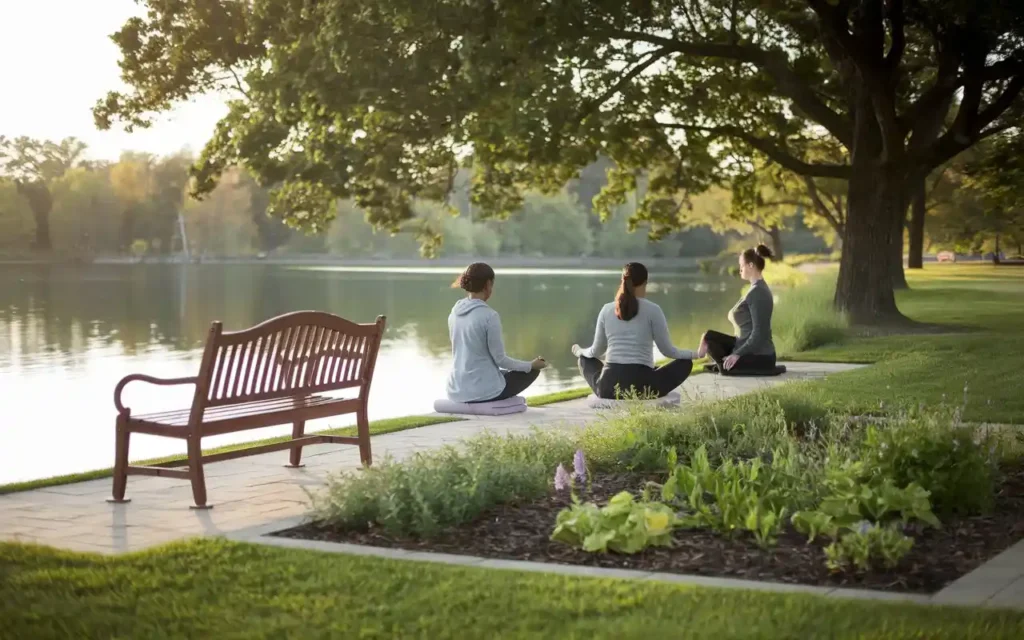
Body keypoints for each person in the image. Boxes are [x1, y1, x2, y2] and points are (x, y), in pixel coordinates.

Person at [571, 262, 695, 399]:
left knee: (584, 360)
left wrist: (579, 351)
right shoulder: (653, 310)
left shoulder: (607, 309)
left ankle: (644, 374)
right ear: (645, 282)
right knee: (685, 363)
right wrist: (696, 354)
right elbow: (668, 351)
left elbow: (596, 351)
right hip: (643, 387)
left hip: (608, 388)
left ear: (622, 281)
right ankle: (651, 375)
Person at [446, 262, 547, 403]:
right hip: (482, 391)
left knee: (506, 373)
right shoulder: (489, 316)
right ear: (488, 284)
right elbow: (500, 360)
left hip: (456, 389)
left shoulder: (454, 312)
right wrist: (531, 365)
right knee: (531, 372)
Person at [698, 245, 777, 373]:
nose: (740, 269)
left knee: (724, 366)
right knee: (709, 337)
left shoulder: (758, 292)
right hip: (742, 345)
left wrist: (737, 354)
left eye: (742, 265)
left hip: (761, 356)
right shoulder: (754, 289)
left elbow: (760, 334)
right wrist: (705, 337)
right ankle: (722, 363)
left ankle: (723, 365)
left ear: (751, 265)